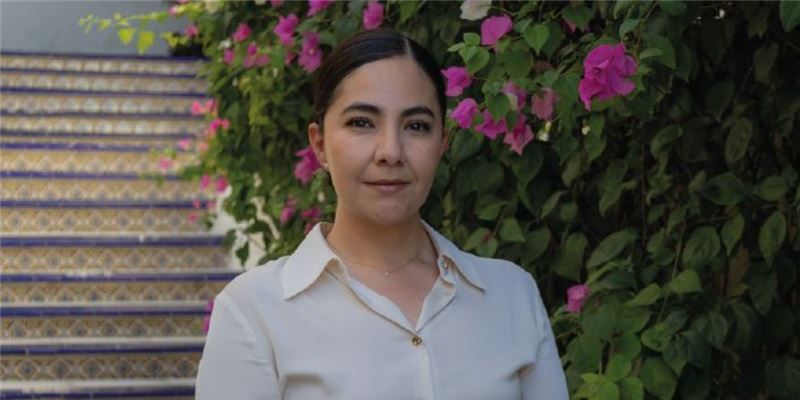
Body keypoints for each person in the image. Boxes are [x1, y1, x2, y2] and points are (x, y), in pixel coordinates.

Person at [195, 28, 569, 400]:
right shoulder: (254, 312)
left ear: (442, 143)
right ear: (320, 144)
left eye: (416, 126)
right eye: (362, 122)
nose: (391, 151)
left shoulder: (511, 295)